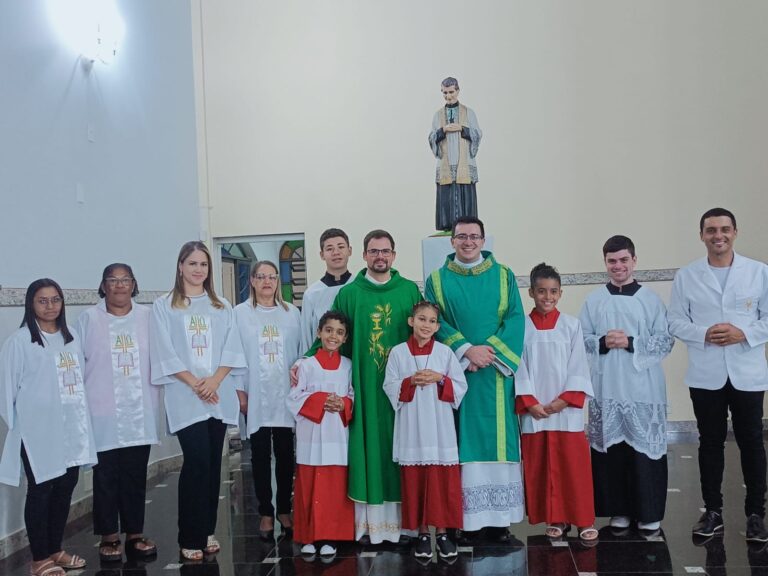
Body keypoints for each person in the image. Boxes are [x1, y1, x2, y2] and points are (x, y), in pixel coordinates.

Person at [301, 229, 422, 543]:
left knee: (403, 447)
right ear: (365, 255)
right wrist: (306, 360)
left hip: (403, 389)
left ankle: (407, 526)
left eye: (385, 251)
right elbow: (333, 335)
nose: (380, 256)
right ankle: (371, 526)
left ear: (393, 255)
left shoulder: (409, 290)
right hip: (365, 387)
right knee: (369, 448)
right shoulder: (350, 294)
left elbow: (424, 333)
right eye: (374, 251)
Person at [668, 207, 768, 541]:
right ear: (702, 236)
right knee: (710, 442)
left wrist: (744, 333)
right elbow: (675, 321)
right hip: (706, 373)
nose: (718, 236)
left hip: (747, 372)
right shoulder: (687, 276)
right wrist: (704, 334)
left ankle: (756, 514)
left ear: (735, 232)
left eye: (724, 229)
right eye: (711, 230)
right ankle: (712, 511)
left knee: (752, 441)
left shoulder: (758, 272)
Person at [424, 216, 525, 542]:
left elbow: (515, 319)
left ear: (483, 240)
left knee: (497, 441)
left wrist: (488, 353)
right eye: (462, 236)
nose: (468, 242)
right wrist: (467, 351)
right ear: (452, 241)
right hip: (459, 374)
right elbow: (434, 321)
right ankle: (464, 520)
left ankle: (499, 520)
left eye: (474, 236)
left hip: (495, 373)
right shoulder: (437, 279)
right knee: (460, 441)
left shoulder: (504, 275)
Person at [150, 241, 246, 561]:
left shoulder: (221, 305)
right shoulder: (165, 306)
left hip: (218, 394)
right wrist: (196, 384)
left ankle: (207, 530)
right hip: (185, 396)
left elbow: (232, 346)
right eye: (192, 263)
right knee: (197, 462)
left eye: (203, 264)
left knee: (213, 463)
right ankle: (189, 535)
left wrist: (215, 380)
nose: (198, 269)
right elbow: (164, 350)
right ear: (180, 266)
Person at [0, 279, 97, 576]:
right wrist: (23, 427)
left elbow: (80, 379)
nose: (50, 306)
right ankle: (39, 558)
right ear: (31, 304)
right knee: (41, 489)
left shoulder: (71, 337)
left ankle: (55, 549)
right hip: (37, 432)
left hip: (71, 428)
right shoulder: (20, 341)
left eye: (55, 299)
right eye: (42, 301)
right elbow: (6, 391)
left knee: (65, 488)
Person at [579, 235, 673, 532]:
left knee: (643, 452)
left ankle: (648, 511)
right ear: (605, 262)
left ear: (634, 260)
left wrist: (632, 342)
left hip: (642, 386)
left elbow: (665, 340)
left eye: (623, 260)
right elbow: (580, 340)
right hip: (607, 385)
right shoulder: (594, 300)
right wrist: (602, 342)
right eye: (612, 261)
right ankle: (618, 509)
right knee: (613, 451)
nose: (618, 266)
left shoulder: (650, 299)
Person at [77, 264, 160, 561]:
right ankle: (109, 535)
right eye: (113, 280)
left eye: (126, 280)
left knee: (135, 473)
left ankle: (135, 533)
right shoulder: (88, 319)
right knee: (106, 475)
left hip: (140, 408)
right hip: (102, 409)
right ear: (103, 286)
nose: (120, 285)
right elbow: (78, 361)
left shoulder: (148, 317)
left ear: (134, 285)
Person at [515, 263, 597, 541]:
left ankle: (583, 519)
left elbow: (579, 365)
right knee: (542, 466)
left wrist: (565, 400)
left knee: (573, 466)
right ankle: (556, 518)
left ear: (560, 293)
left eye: (553, 291)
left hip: (565, 410)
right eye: (541, 291)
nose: (547, 297)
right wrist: (529, 402)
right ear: (531, 292)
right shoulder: (521, 327)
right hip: (535, 410)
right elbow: (518, 366)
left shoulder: (571, 325)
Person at [383, 301, 467, 560]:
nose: (426, 325)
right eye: (421, 319)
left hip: (440, 426)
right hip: (412, 426)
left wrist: (440, 379)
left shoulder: (445, 353)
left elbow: (460, 386)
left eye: (431, 321)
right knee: (415, 480)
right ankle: (421, 532)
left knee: (441, 481)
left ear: (437, 327)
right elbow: (389, 386)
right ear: (411, 321)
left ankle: (441, 533)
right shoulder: (398, 353)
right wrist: (410, 381)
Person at [234, 260, 301, 540]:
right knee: (259, 454)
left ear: (277, 281)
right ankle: (265, 511)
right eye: (260, 277)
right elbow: (234, 353)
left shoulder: (291, 313)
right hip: (255, 394)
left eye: (271, 277)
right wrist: (239, 391)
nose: (266, 282)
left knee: (285, 454)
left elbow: (300, 352)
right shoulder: (240, 314)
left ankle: (284, 509)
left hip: (285, 394)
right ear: (252, 280)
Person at [287, 311, 355, 556]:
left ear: (345, 338)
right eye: (328, 330)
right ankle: (308, 535)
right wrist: (321, 400)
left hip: (336, 435)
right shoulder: (306, 365)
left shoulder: (347, 366)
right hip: (312, 434)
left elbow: (352, 395)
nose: (333, 336)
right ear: (319, 333)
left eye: (339, 332)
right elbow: (294, 398)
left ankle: (330, 536)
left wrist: (343, 404)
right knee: (309, 486)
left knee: (334, 488)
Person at [428, 77, 482, 231]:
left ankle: (467, 229)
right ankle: (447, 227)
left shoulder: (468, 113)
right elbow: (431, 137)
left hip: (463, 162)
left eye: (451, 92)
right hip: (446, 162)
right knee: (447, 196)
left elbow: (477, 134)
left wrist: (462, 129)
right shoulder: (438, 115)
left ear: (458, 91)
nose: (448, 96)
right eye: (445, 93)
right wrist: (443, 130)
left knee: (465, 195)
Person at [300, 228, 354, 353]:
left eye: (341, 247)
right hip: (323, 360)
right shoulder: (312, 294)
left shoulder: (360, 287)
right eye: (329, 249)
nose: (336, 252)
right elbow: (306, 336)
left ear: (349, 251)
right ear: (322, 255)